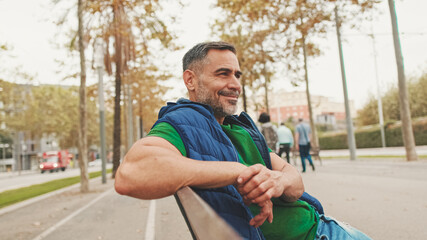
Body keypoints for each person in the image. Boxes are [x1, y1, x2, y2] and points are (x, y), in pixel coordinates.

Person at [115, 41, 371, 240]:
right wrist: (239, 172)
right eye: (223, 74)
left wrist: (277, 182)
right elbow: (131, 175)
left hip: (323, 227)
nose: (235, 84)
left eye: (237, 75)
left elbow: (295, 182)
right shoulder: (183, 123)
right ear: (190, 80)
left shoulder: (242, 130)